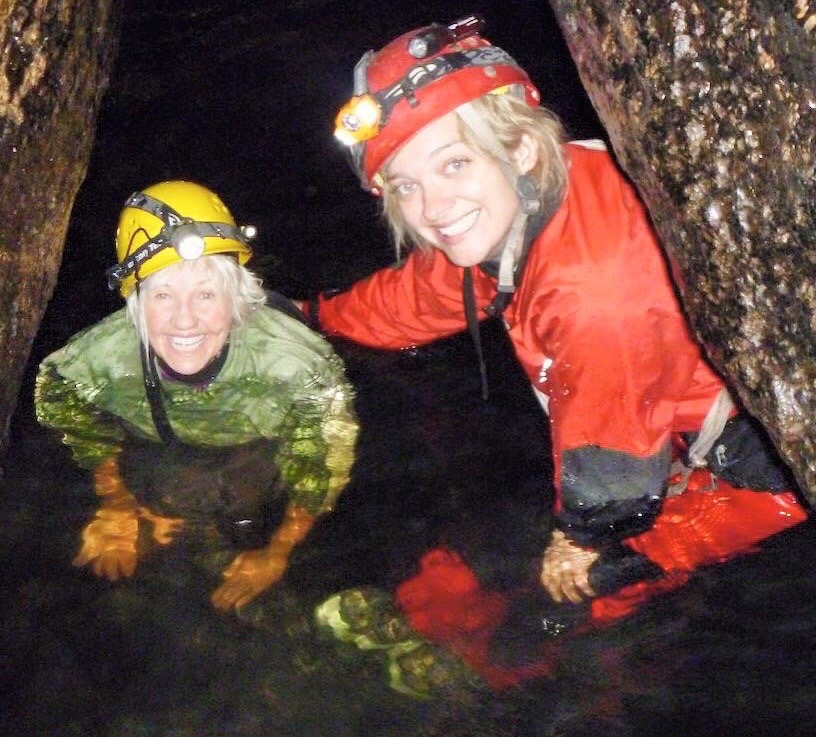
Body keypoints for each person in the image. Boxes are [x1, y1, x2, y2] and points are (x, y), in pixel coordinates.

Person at [308, 14, 809, 689]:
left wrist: (576, 548)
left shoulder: (592, 287)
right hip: (640, 424)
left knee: (582, 595)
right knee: (522, 541)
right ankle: (435, 609)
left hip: (748, 473)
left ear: (517, 148)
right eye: (405, 184)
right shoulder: (530, 199)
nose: (431, 205)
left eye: (452, 162)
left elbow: (614, 488)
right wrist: (318, 316)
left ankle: (507, 668)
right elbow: (437, 287)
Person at [35, 180, 358, 612]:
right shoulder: (94, 361)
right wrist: (115, 503)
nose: (184, 321)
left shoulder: (297, 371)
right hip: (155, 456)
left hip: (253, 458)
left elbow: (321, 466)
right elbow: (59, 400)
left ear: (236, 297)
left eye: (206, 294)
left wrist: (278, 551)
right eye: (163, 295)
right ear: (135, 303)